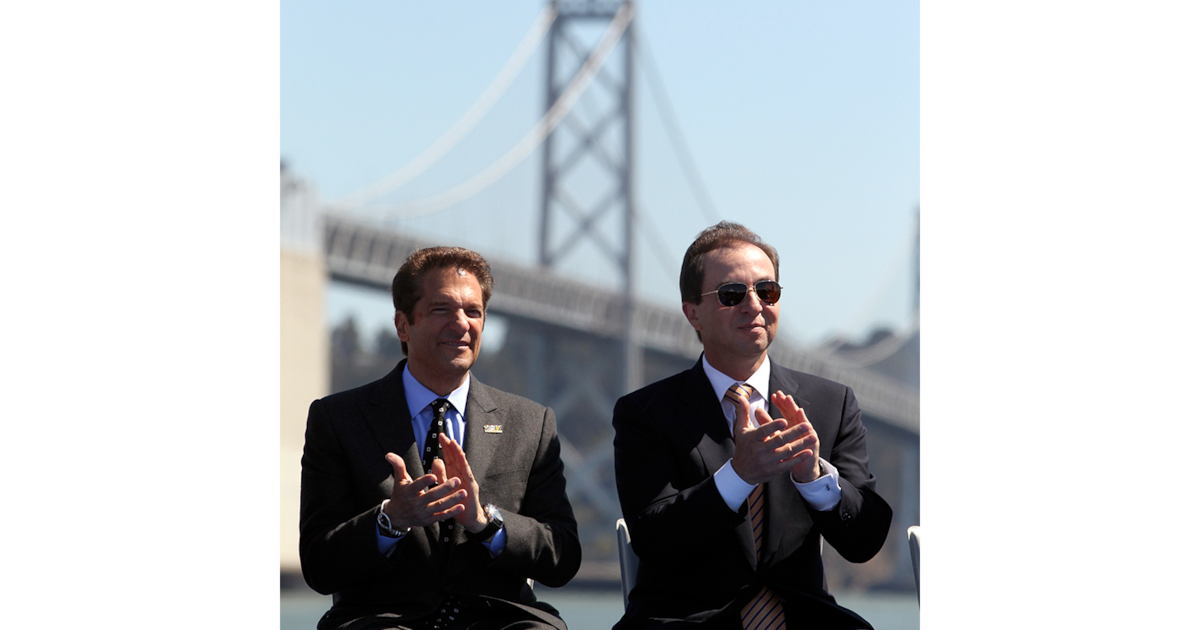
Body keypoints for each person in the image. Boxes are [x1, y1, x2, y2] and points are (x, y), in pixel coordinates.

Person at [612, 222, 892, 629]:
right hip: (684, 620)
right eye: (731, 294)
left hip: (805, 619)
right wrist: (738, 476)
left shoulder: (832, 403)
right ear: (693, 313)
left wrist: (814, 480)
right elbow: (654, 541)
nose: (754, 305)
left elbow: (864, 541)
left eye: (767, 291)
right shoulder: (645, 412)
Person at [300, 246, 582, 630]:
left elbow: (562, 556)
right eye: (441, 309)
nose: (461, 323)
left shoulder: (530, 423)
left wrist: (487, 523)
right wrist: (390, 520)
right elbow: (319, 564)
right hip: (382, 620)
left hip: (501, 620)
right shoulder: (338, 419)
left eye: (473, 311)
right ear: (403, 325)